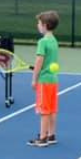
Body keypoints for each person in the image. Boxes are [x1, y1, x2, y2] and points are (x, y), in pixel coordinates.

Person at [28, 10, 60, 147]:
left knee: (44, 110)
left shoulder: (42, 42)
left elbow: (39, 61)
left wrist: (34, 78)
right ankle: (51, 135)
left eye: (39, 23)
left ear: (45, 25)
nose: (38, 25)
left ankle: (42, 138)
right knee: (52, 109)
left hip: (44, 81)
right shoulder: (54, 40)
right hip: (53, 80)